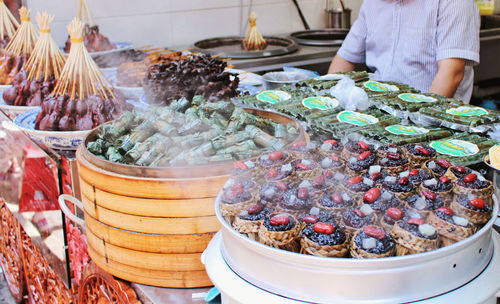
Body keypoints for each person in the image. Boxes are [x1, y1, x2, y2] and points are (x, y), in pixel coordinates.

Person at [328, 0, 480, 103]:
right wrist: (325, 103)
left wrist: (420, 124)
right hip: (381, 112)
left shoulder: (455, 3)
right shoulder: (372, 3)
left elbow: (452, 73)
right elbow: (345, 58)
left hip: (435, 122)